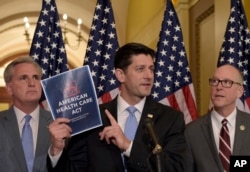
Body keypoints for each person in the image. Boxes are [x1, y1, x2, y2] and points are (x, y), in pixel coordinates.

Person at [47, 42, 191, 172]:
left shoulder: (171, 118)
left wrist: (128, 146)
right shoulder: (93, 118)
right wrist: (57, 150)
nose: (149, 76)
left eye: (151, 69)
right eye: (140, 69)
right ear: (121, 75)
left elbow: (177, 167)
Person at [185, 64, 250, 172]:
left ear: (239, 91)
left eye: (226, 82)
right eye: (215, 81)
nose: (219, 87)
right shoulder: (191, 132)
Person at [0, 56, 52, 172]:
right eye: (23, 78)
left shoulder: (58, 123)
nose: (32, 83)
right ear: (9, 89)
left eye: (36, 77)